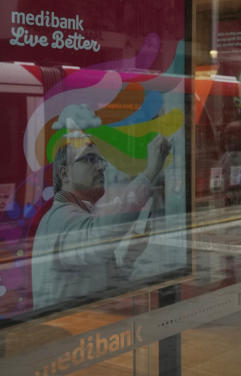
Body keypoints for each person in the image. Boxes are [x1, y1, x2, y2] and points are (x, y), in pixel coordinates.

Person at [32, 132, 170, 310]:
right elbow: (98, 238)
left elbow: (106, 287)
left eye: (100, 160)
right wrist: (149, 172)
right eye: (89, 159)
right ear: (65, 174)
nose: (101, 167)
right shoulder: (59, 219)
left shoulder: (79, 217)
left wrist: (129, 256)